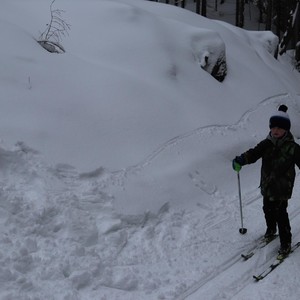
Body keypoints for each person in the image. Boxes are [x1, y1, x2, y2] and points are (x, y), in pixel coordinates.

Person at [232, 104, 300, 256]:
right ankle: (270, 230)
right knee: (267, 209)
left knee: (280, 214)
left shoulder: (293, 148)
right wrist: (241, 160)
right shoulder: (266, 144)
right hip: (267, 185)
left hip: (282, 188)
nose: (275, 131)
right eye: (273, 127)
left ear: (286, 129)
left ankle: (286, 242)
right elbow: (254, 154)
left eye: (279, 128)